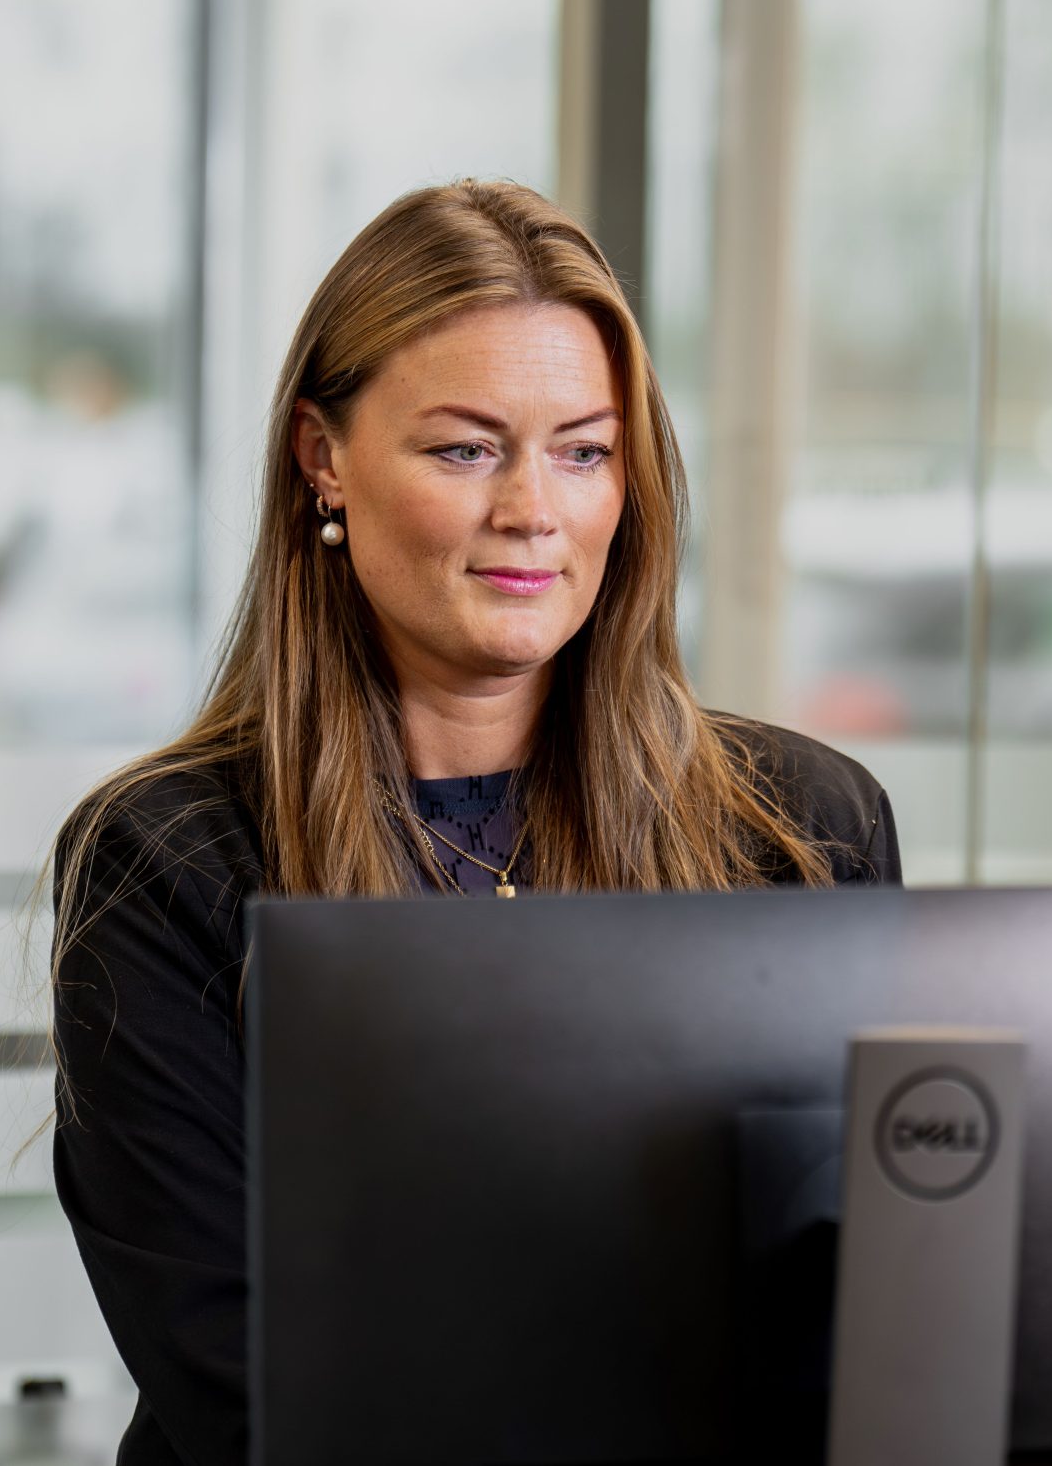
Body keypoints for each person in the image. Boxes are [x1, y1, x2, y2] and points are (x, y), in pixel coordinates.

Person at [46, 180, 901, 1466]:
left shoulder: (803, 831)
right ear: (321, 458)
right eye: (465, 450)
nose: (532, 510)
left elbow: (869, 1314)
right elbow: (242, 1383)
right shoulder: (166, 861)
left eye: (583, 451)